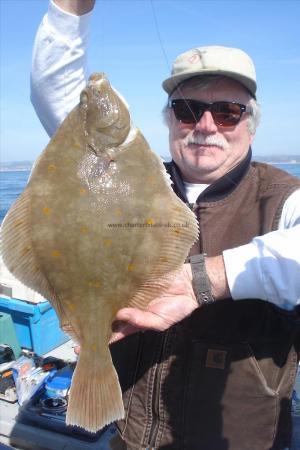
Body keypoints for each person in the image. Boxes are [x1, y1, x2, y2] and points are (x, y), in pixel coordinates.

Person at [31, 1, 300, 449]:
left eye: (228, 112)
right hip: (132, 437)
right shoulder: (119, 172)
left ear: (250, 126)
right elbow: (55, 92)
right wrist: (69, 10)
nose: (206, 125)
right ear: (170, 120)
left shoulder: (282, 198)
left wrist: (205, 278)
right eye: (188, 109)